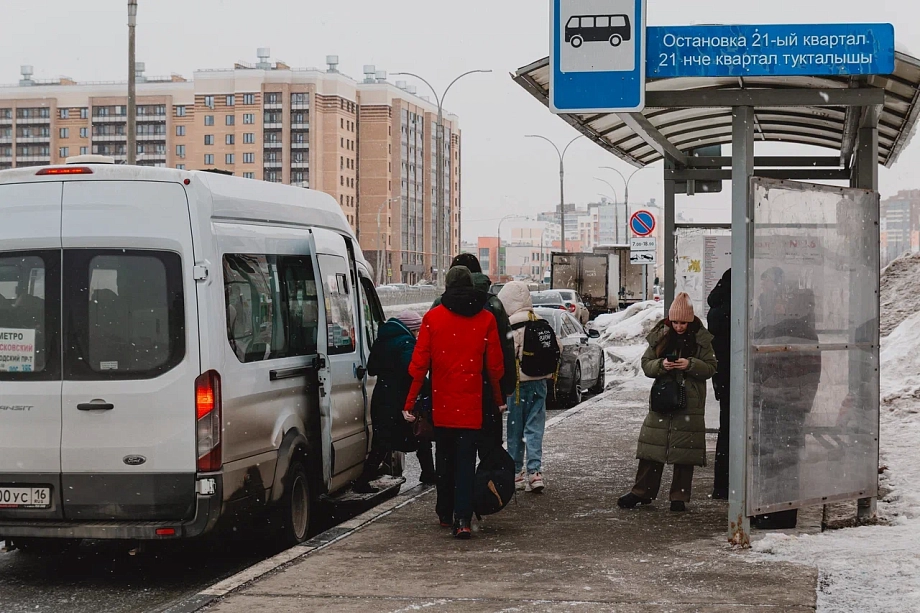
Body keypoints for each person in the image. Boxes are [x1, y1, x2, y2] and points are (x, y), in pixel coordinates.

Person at [404, 266, 506, 539]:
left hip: (443, 405)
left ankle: (444, 512)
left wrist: (410, 400)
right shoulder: (485, 319)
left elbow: (419, 365)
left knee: (444, 460)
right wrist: (497, 399)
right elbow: (495, 367)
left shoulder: (433, 318)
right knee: (465, 462)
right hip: (471, 406)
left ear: (447, 286)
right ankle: (463, 518)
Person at [618, 292, 717, 513]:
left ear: (690, 321)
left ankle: (679, 497)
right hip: (663, 397)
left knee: (685, 450)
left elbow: (711, 367)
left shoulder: (701, 339)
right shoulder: (661, 335)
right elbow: (646, 364)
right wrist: (662, 365)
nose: (679, 327)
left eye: (683, 322)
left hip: (689, 401)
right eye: (675, 322)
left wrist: (689, 364)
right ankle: (641, 492)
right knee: (652, 447)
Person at [751, 267, 821, 530]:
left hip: (783, 404)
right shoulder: (798, 330)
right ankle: (774, 510)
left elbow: (776, 369)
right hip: (785, 403)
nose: (777, 304)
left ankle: (776, 512)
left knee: (778, 459)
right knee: (778, 458)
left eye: (781, 300)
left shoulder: (791, 331)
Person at [432, 253, 516, 448]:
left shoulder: (441, 303)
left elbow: (429, 349)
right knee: (489, 448)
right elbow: (506, 346)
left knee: (452, 452)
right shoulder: (493, 304)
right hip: (486, 387)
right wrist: (507, 386)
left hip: (448, 389)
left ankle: (455, 478)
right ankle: (487, 478)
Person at [354, 310, 435, 493]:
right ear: (411, 329)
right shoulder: (406, 343)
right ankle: (429, 473)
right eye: (417, 331)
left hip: (382, 396)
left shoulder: (382, 340)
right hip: (401, 399)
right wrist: (428, 388)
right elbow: (414, 372)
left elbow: (372, 368)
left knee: (382, 442)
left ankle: (364, 480)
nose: (418, 335)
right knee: (420, 433)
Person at [497, 281, 561, 493]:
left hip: (518, 385)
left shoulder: (511, 325)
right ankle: (535, 472)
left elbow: (505, 355)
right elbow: (557, 346)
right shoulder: (540, 321)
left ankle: (516, 472)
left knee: (515, 430)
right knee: (535, 427)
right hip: (540, 382)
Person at [706, 269, 731, 500]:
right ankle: (727, 484)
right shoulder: (732, 310)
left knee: (726, 430)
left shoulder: (716, 309)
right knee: (733, 432)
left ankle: (721, 485)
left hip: (722, 376)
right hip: (735, 377)